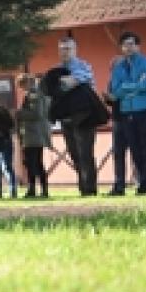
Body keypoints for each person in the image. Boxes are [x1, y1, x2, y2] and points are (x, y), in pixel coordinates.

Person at [106, 31, 146, 195]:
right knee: (135, 148)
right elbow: (115, 90)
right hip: (127, 112)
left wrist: (127, 87)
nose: (128, 48)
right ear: (121, 48)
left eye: (132, 44)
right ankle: (144, 181)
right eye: (125, 45)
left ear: (138, 46)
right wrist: (135, 87)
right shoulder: (118, 68)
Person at [55, 37, 99, 196]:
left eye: (67, 49)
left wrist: (63, 81)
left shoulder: (84, 66)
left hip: (85, 115)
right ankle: (82, 186)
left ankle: (90, 188)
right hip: (66, 116)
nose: (64, 52)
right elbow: (50, 88)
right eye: (61, 49)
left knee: (85, 152)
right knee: (74, 153)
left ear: (75, 50)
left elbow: (74, 81)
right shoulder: (57, 69)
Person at [15, 73, 51, 198]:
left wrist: (18, 113)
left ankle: (34, 189)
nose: (22, 89)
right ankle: (41, 189)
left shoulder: (34, 94)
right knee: (35, 162)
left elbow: (36, 113)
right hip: (36, 133)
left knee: (32, 163)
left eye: (21, 86)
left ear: (26, 83)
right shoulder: (41, 93)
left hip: (33, 133)